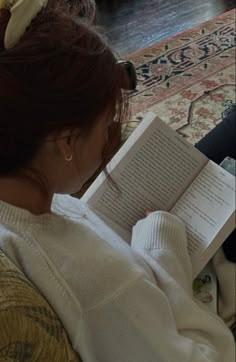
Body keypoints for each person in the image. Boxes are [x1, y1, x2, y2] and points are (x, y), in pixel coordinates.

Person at [0, 1, 235, 361]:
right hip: (193, 291)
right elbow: (209, 355)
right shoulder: (101, 289)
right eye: (109, 122)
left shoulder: (19, 200)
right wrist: (163, 251)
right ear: (65, 142)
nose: (115, 133)